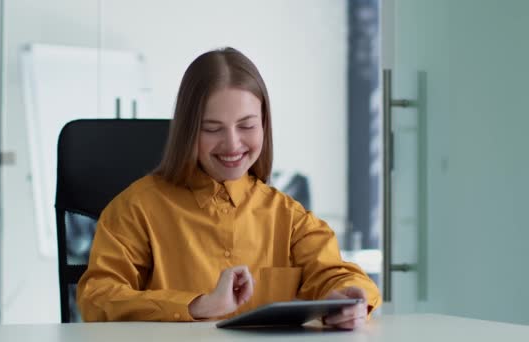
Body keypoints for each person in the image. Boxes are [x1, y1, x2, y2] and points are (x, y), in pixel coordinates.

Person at [76, 47, 381, 329]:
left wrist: (352, 298)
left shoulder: (288, 215)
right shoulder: (136, 209)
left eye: (247, 125)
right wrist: (196, 306)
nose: (233, 144)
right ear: (188, 131)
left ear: (264, 125)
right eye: (212, 129)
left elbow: (336, 274)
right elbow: (96, 298)